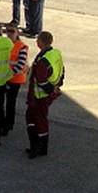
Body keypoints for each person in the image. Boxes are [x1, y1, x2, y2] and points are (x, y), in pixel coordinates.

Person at [25, 31, 65, 159]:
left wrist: (51, 90)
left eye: (38, 40)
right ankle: (40, 147)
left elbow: (41, 81)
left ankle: (37, 146)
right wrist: (58, 85)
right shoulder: (55, 54)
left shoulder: (43, 61)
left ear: (41, 42)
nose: (36, 41)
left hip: (39, 97)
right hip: (45, 95)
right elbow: (62, 70)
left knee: (36, 120)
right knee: (36, 119)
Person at [2, 23, 29, 136]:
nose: (9, 34)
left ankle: (8, 125)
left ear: (17, 33)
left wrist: (6, 75)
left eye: (12, 31)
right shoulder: (4, 44)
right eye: (7, 31)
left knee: (10, 103)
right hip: (5, 78)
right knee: (1, 102)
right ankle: (4, 123)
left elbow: (20, 65)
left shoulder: (21, 47)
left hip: (14, 79)